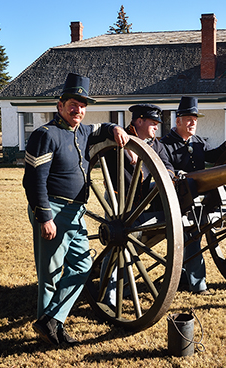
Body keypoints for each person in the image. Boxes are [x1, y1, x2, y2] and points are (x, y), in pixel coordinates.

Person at [23, 73, 130, 346]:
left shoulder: (82, 131)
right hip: (54, 211)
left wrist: (115, 128)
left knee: (82, 266)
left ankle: (52, 320)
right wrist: (44, 217)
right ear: (60, 105)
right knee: (50, 273)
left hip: (77, 213)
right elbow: (33, 181)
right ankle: (50, 329)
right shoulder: (45, 135)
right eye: (73, 103)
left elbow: (101, 128)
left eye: (82, 105)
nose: (78, 109)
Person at [160, 96, 226, 295]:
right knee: (191, 240)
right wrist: (179, 176)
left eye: (195, 120)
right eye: (189, 119)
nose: (193, 123)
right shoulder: (165, 144)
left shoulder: (197, 142)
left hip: (202, 200)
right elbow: (166, 169)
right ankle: (197, 285)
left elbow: (212, 156)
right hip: (179, 201)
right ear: (177, 121)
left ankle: (181, 277)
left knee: (191, 240)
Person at [101, 103, 174, 308]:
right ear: (139, 121)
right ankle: (109, 295)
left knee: (132, 245)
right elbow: (100, 142)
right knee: (118, 245)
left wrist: (166, 176)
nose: (156, 127)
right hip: (119, 203)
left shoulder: (155, 144)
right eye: (152, 123)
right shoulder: (120, 138)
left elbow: (168, 166)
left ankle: (122, 285)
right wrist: (128, 148)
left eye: (157, 124)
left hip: (143, 203)